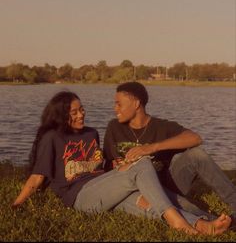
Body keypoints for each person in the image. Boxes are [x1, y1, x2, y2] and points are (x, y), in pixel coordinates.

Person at [12, 91, 232, 236]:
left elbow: (97, 165)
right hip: (81, 196)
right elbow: (37, 177)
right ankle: (177, 221)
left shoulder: (91, 133)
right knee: (142, 164)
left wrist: (115, 165)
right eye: (74, 112)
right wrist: (18, 204)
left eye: (82, 109)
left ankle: (205, 224)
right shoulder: (53, 137)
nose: (81, 115)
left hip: (106, 187)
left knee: (147, 202)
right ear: (62, 115)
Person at [103, 81, 236, 230]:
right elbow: (107, 163)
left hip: (166, 183)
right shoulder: (114, 127)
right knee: (180, 204)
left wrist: (151, 148)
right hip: (135, 189)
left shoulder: (161, 126)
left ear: (136, 103)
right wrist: (116, 166)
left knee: (197, 154)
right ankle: (214, 223)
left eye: (119, 104)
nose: (115, 108)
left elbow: (195, 138)